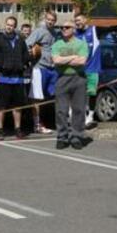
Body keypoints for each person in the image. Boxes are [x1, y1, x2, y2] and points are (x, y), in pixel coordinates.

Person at [74, 14, 117, 129]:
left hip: (92, 69)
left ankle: (89, 117)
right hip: (79, 69)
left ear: (85, 20)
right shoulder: (75, 34)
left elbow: (110, 28)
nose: (77, 22)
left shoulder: (94, 30)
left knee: (92, 93)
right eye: (76, 21)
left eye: (79, 20)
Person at [0, 17, 30, 140]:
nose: (9, 27)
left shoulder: (20, 40)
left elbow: (26, 55)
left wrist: (23, 64)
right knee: (1, 106)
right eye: (8, 24)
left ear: (15, 27)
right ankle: (0, 131)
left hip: (17, 78)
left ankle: (17, 130)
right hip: (4, 78)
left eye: (12, 25)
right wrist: (1, 64)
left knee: (17, 106)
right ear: (5, 24)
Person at [51, 21, 88, 150]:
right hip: (62, 79)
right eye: (62, 27)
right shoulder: (57, 44)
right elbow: (56, 60)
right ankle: (62, 137)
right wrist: (73, 57)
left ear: (73, 29)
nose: (63, 29)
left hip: (79, 78)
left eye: (67, 27)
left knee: (79, 109)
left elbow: (82, 61)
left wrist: (63, 60)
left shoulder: (81, 43)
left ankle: (76, 136)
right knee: (61, 110)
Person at [26, 11, 58, 134]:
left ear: (55, 21)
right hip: (40, 68)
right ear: (45, 19)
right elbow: (26, 44)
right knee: (37, 98)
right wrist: (33, 53)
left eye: (52, 20)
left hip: (51, 68)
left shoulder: (54, 33)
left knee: (53, 94)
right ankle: (37, 124)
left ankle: (52, 121)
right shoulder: (40, 31)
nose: (50, 22)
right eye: (48, 19)